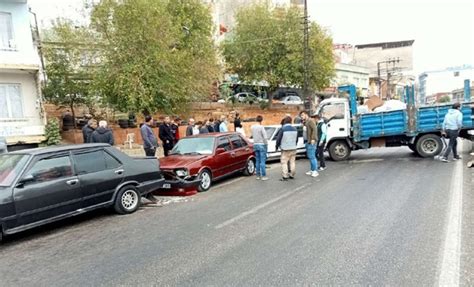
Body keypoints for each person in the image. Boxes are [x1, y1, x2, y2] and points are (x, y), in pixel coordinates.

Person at [276, 116, 298, 181]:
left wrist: (277, 146)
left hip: (285, 148)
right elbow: (296, 139)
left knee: (284, 162)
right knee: (292, 162)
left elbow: (278, 139)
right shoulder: (295, 129)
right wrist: (294, 144)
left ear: (285, 121)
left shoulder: (282, 129)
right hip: (293, 148)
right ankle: (292, 174)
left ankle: (285, 176)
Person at [301, 111, 319, 177]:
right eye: (301, 116)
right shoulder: (305, 122)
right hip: (307, 141)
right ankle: (312, 170)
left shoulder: (311, 121)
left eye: (302, 115)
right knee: (310, 156)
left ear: (306, 115)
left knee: (312, 156)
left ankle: (315, 171)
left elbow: (314, 129)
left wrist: (313, 139)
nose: (301, 117)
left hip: (311, 141)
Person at [251, 115, 268, 180]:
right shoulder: (261, 127)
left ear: (256, 119)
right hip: (261, 144)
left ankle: (258, 175)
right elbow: (265, 137)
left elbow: (252, 135)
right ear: (261, 120)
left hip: (255, 144)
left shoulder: (252, 127)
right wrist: (266, 144)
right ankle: (263, 176)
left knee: (257, 160)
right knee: (262, 161)